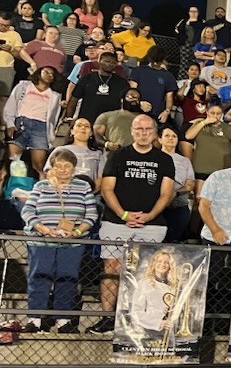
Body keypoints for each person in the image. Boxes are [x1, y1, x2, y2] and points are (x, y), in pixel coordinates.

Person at [95, 113, 175, 332]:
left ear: (154, 133)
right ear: (131, 131)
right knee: (112, 267)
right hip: (116, 221)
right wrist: (123, 215)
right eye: (139, 129)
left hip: (152, 225)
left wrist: (148, 216)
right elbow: (107, 188)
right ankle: (107, 317)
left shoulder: (165, 159)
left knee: (145, 274)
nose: (143, 134)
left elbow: (166, 194)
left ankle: (135, 318)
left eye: (148, 130)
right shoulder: (118, 156)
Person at [20, 147, 97, 332]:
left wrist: (77, 232)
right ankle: (35, 320)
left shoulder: (83, 186)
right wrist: (43, 229)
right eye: (58, 166)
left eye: (67, 166)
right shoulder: (41, 186)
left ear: (74, 168)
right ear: (52, 167)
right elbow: (27, 211)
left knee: (68, 278)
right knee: (39, 277)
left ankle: (63, 321)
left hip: (72, 243)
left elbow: (91, 215)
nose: (62, 169)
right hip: (41, 241)